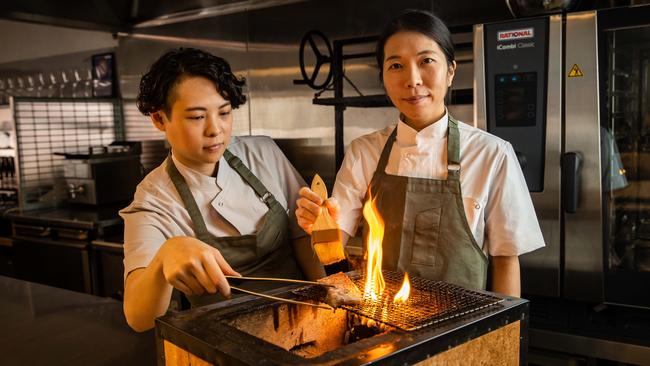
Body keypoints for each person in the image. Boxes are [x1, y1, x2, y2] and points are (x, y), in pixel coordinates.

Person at [296, 10, 545, 297]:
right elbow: (333, 245)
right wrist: (320, 227)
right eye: (396, 65)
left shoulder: (491, 154)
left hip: (462, 328)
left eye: (426, 61)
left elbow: (506, 260)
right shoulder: (365, 152)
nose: (412, 80)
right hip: (382, 326)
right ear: (383, 77)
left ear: (451, 70)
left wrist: (504, 338)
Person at [121, 48, 323, 332]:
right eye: (196, 117)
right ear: (159, 119)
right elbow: (138, 318)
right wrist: (165, 256)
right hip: (226, 342)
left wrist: (328, 293)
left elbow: (301, 233)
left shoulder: (263, 153)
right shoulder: (154, 200)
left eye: (224, 112)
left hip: (305, 319)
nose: (215, 130)